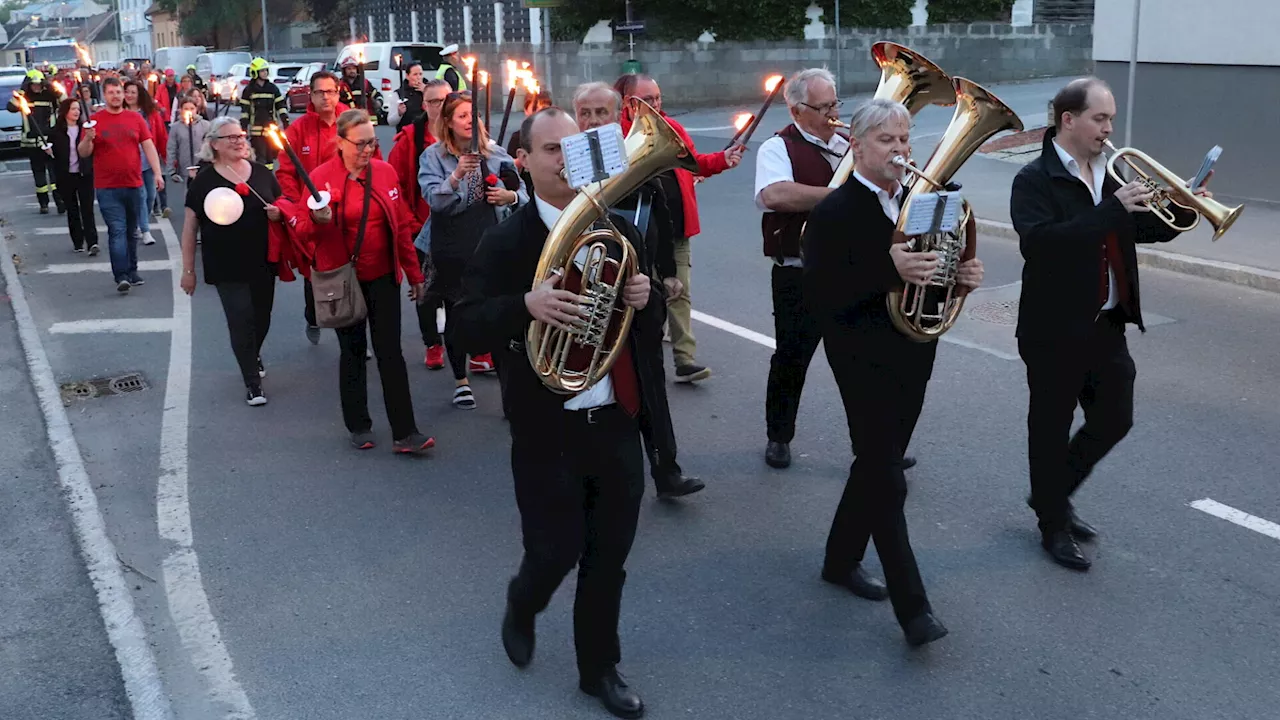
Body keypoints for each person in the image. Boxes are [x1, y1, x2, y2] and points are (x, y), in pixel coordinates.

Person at [454, 106, 658, 719]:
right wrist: (525, 303)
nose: (565, 160)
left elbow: (638, 334)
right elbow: (462, 324)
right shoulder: (507, 238)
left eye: (574, 148)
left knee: (609, 556)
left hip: (614, 420)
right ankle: (524, 599)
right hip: (547, 428)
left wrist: (643, 299)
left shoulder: (620, 229)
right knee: (554, 551)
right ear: (524, 161)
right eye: (550, 150)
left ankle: (599, 669)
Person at [801, 97, 984, 646]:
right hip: (859, 352)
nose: (901, 150)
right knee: (886, 475)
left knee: (874, 461)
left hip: (914, 347)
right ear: (857, 146)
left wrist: (960, 277)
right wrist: (888, 268)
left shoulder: (925, 201)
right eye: (887, 141)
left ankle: (839, 560)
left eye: (905, 140)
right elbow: (822, 294)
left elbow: (938, 267)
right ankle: (914, 608)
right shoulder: (834, 211)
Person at [1011, 77, 1210, 571]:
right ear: (1069, 120)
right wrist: (1109, 210)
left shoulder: (1110, 176)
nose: (1109, 128)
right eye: (1100, 118)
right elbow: (1041, 243)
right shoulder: (1034, 179)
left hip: (1106, 325)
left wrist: (1185, 206)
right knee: (1050, 429)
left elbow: (1141, 228)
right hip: (1054, 329)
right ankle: (1052, 525)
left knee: (1114, 418)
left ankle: (1051, 495)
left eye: (1112, 119)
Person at [573, 81, 704, 500]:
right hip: (585, 294)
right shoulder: (566, 165)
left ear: (617, 117)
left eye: (601, 113)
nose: (593, 121)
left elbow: (663, 217)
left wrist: (666, 272)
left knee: (650, 380)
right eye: (585, 113)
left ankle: (667, 469)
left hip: (637, 292)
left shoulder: (639, 165)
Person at [290, 109, 434, 453]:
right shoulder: (321, 178)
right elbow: (301, 229)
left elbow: (400, 228)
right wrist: (316, 216)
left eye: (371, 142)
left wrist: (414, 275)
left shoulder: (384, 174)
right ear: (340, 143)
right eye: (360, 143)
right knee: (352, 351)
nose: (368, 149)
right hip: (343, 280)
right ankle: (358, 424)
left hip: (383, 276)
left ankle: (405, 431)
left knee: (390, 353)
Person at [615, 73, 744, 383]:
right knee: (647, 296)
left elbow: (694, 163)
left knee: (680, 292)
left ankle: (684, 358)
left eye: (658, 97)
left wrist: (722, 160)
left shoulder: (674, 128)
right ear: (629, 103)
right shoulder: (617, 135)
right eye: (648, 99)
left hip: (678, 225)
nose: (656, 104)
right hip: (641, 229)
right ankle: (642, 356)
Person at [418, 90, 524, 409]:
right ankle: (460, 380)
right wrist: (457, 176)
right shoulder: (434, 157)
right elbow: (434, 201)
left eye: (473, 115)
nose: (469, 121)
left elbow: (524, 195)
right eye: (461, 116)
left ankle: (508, 386)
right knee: (456, 310)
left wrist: (512, 197)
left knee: (500, 314)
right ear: (448, 122)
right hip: (452, 245)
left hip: (491, 242)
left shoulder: (497, 153)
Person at [179, 117, 286, 406]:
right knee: (241, 320)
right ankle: (252, 382)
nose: (240, 141)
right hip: (226, 264)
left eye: (241, 136)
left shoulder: (263, 173)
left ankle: (253, 353)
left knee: (261, 318)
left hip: (263, 261)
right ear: (214, 144)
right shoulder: (204, 181)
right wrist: (188, 270)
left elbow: (283, 204)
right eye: (231, 138)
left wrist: (279, 213)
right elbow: (190, 227)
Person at [277, 70, 370, 344]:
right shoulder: (299, 129)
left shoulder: (350, 122)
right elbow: (285, 172)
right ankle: (313, 314)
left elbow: (369, 158)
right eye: (319, 92)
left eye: (330, 91)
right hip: (314, 214)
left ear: (338, 92)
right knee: (315, 269)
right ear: (312, 95)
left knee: (354, 268)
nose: (325, 97)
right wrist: (297, 205)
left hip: (349, 211)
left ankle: (353, 327)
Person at [78, 76, 164, 293]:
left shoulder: (135, 119)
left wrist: (157, 173)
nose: (116, 96)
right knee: (117, 230)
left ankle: (133, 270)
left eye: (118, 92)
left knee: (131, 231)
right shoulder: (94, 121)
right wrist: (89, 138)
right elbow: (83, 152)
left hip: (134, 184)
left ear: (123, 95)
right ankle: (121, 275)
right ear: (104, 95)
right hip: (107, 187)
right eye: (111, 93)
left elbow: (148, 146)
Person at [387, 78, 448, 368]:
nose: (441, 106)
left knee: (465, 287)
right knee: (426, 290)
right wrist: (410, 223)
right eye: (434, 101)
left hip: (459, 227)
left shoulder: (465, 135)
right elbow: (394, 184)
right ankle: (432, 343)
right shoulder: (410, 140)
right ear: (425, 105)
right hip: (421, 228)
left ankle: (475, 347)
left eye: (446, 100)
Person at [8, 70, 63, 214]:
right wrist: (21, 91)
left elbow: (65, 101)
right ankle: (43, 203)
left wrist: (52, 87)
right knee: (39, 175)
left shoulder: (50, 96)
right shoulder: (23, 97)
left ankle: (60, 201)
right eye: (33, 85)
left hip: (50, 140)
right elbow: (11, 107)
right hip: (32, 142)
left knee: (54, 174)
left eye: (39, 84)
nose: (36, 87)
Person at [49, 98, 97, 254]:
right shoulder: (56, 132)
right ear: (65, 112)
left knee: (87, 209)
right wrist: (48, 152)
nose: (76, 112)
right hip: (66, 176)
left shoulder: (85, 129)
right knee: (72, 209)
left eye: (78, 109)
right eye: (73, 109)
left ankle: (92, 242)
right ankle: (78, 241)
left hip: (85, 174)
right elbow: (51, 155)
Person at [125, 80, 169, 228]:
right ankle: (141, 227)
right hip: (129, 163)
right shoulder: (121, 113)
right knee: (139, 195)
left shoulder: (150, 113)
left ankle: (142, 218)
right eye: (127, 92)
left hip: (148, 161)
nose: (129, 95)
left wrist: (166, 157)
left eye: (133, 92)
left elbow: (162, 135)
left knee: (150, 195)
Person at [238, 57, 288, 169]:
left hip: (271, 129)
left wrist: (285, 121)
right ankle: (261, 176)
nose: (265, 73)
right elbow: (245, 111)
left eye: (266, 70)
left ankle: (268, 176)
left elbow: (281, 106)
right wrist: (244, 128)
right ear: (255, 73)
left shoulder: (272, 88)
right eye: (262, 71)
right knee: (260, 156)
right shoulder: (249, 90)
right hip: (256, 130)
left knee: (271, 156)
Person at [167, 97, 211, 181]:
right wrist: (171, 171)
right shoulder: (176, 127)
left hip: (202, 167)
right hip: (184, 168)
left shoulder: (205, 125)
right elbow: (171, 149)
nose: (189, 111)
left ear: (196, 109)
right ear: (181, 110)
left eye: (192, 108)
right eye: (186, 109)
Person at [391, 61, 426, 131]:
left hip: (425, 132)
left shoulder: (429, 90)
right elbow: (391, 121)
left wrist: (426, 92)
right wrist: (399, 113)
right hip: (406, 133)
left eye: (420, 74)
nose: (418, 77)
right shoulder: (398, 94)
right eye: (415, 74)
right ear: (407, 76)